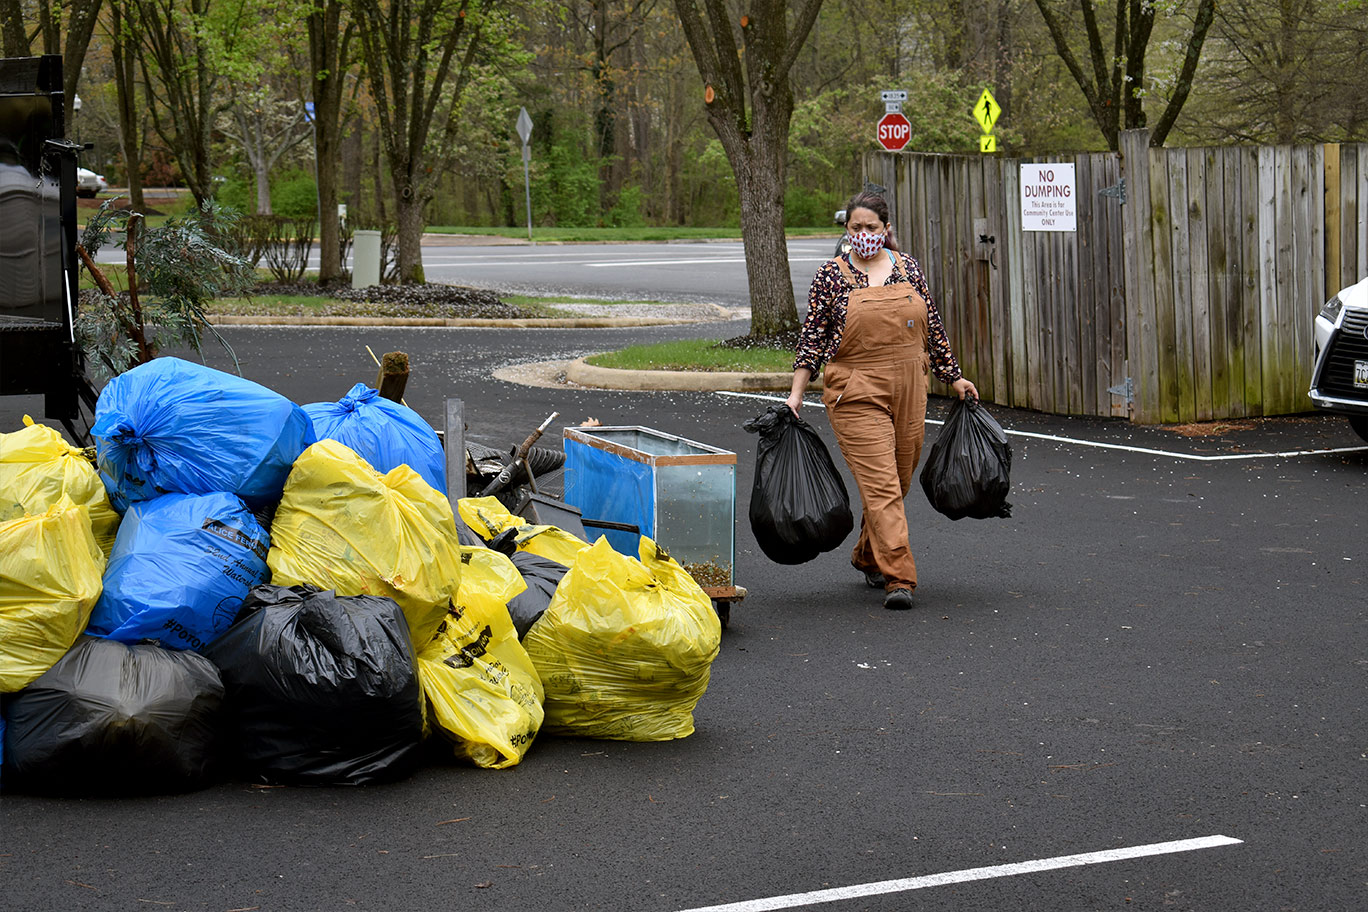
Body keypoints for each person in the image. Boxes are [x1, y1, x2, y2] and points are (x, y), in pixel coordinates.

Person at [786, 190, 977, 611]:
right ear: (846, 230)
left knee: (900, 478)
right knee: (882, 484)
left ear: (886, 229)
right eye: (856, 228)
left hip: (910, 384)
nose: (864, 235)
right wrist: (797, 394)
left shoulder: (908, 268)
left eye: (871, 228)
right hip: (854, 389)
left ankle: (868, 554)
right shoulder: (830, 276)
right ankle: (900, 578)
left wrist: (955, 377)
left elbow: (934, 327)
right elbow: (812, 339)